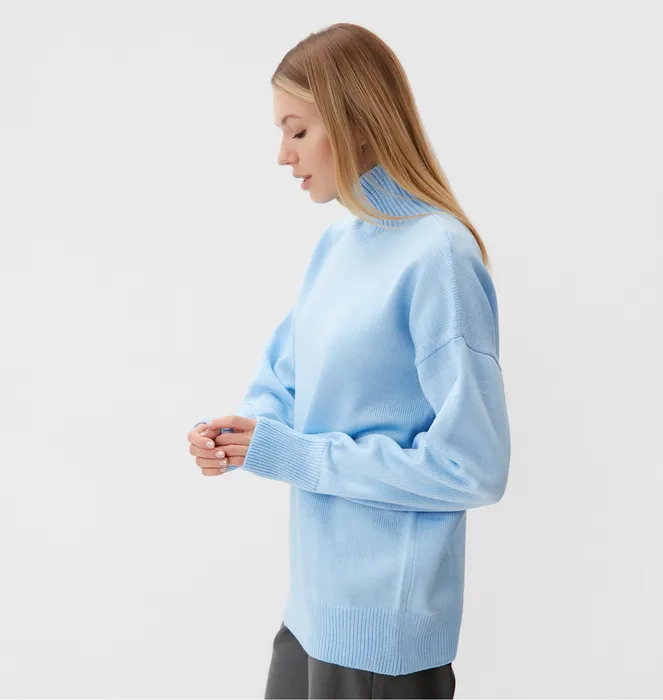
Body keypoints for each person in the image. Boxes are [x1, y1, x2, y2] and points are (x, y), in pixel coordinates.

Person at [188, 22, 511, 700]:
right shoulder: (337, 247)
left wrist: (298, 456)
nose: (283, 155)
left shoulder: (438, 256)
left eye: (298, 130)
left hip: (384, 640)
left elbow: (475, 467)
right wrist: (240, 434)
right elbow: (283, 379)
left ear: (356, 122)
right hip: (308, 615)